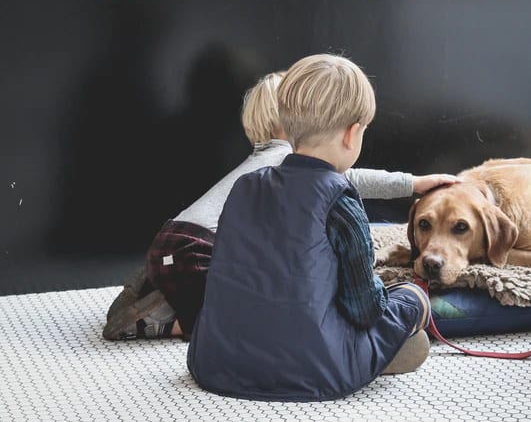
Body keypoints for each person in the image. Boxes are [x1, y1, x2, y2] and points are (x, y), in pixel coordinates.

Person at [103, 70, 457, 341]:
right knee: (226, 321)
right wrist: (412, 183)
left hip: (176, 241)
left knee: (227, 293)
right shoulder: (287, 161)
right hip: (197, 248)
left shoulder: (264, 161)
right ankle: (157, 323)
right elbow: (353, 178)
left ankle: (157, 288)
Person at [188, 53, 445, 401]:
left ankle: (368, 352)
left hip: (217, 360)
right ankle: (378, 353)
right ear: (353, 134)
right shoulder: (340, 201)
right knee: (412, 297)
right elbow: (365, 308)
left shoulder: (245, 186)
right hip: (312, 369)